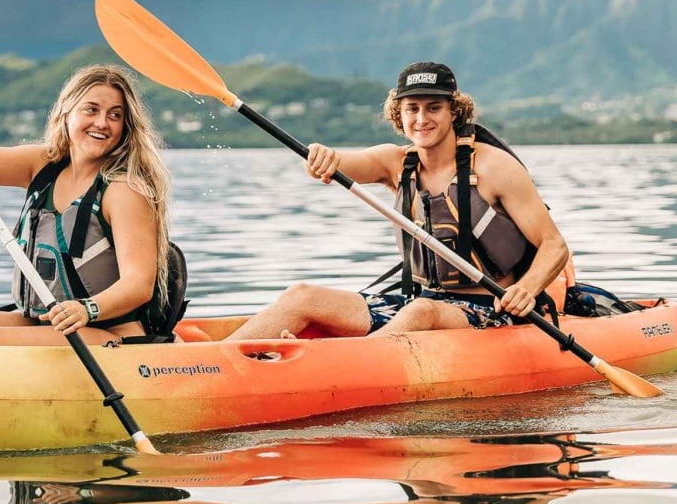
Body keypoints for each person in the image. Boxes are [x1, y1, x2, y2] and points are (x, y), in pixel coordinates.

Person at [228, 61, 570, 341]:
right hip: (416, 301)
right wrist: (318, 157)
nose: (422, 119)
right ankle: (210, 362)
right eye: (412, 109)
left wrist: (527, 289)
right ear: (399, 114)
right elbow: (336, 162)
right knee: (302, 295)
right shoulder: (394, 163)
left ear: (454, 111)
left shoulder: (495, 168)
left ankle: (339, 365)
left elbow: (554, 245)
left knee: (421, 312)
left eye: (434, 108)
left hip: (487, 312)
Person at [0, 64, 171, 347]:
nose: (102, 123)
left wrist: (87, 309)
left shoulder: (124, 190)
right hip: (47, 323)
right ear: (66, 112)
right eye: (91, 110)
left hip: (113, 335)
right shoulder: (44, 165)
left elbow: (139, 283)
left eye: (115, 115)